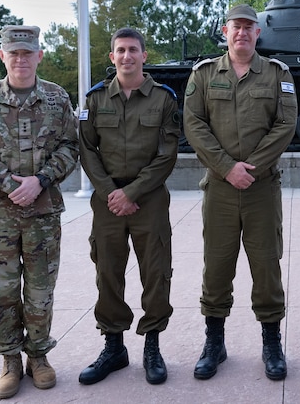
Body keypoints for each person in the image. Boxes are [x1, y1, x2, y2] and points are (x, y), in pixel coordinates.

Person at [0, 25, 79, 399]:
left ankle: (39, 357)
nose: (21, 59)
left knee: (41, 288)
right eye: (14, 53)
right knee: (0, 290)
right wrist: (10, 183)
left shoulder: (57, 100)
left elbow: (70, 147)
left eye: (28, 53)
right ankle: (9, 359)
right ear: (2, 56)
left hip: (42, 212)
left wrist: (40, 180)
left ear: (39, 55)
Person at [183, 4, 297, 381]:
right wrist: (227, 167)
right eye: (237, 27)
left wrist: (252, 168)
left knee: (266, 266)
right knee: (216, 266)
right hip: (219, 188)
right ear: (225, 31)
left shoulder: (277, 74)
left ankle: (271, 343)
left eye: (249, 27)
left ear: (258, 33)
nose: (243, 33)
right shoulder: (203, 75)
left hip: (261, 188)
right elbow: (194, 124)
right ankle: (214, 342)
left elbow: (285, 125)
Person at [78, 27, 180, 386]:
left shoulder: (163, 100)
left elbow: (167, 155)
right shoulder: (94, 100)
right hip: (107, 201)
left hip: (148, 199)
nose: (126, 56)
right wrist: (111, 193)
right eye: (120, 50)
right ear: (112, 57)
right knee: (107, 271)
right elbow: (87, 150)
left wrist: (132, 193)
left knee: (155, 272)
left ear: (143, 55)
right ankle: (114, 346)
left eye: (133, 50)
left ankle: (152, 344)